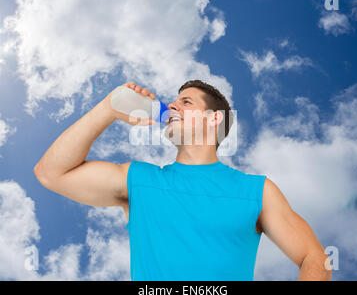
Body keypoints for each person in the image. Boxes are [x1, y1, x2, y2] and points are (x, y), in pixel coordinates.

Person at [34, 80, 332, 281]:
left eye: (185, 102)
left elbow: (314, 257)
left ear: (214, 119)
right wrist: (108, 109)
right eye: (173, 102)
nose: (172, 106)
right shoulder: (138, 180)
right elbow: (51, 173)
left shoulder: (256, 191)